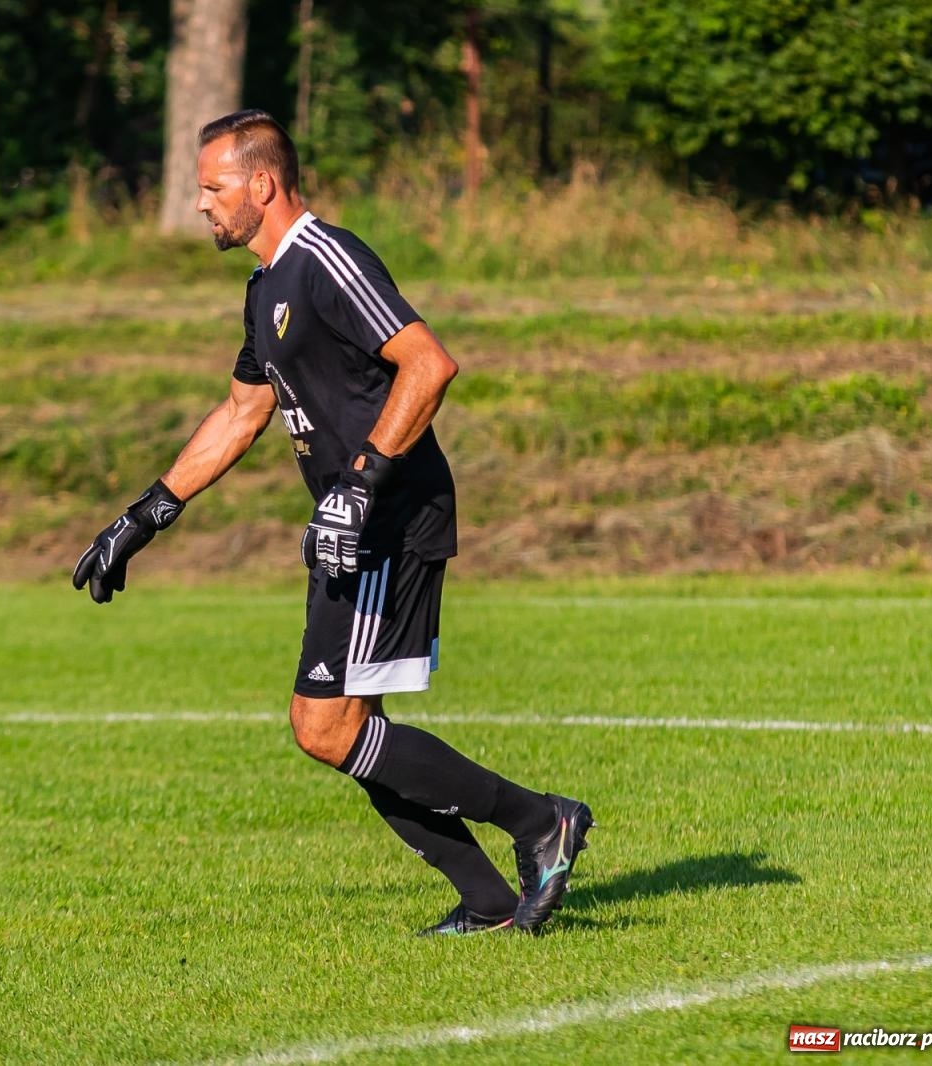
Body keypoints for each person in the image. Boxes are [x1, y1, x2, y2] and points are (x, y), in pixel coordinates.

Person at [71, 109, 593, 935]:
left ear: (262, 183)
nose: (201, 203)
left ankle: (540, 821)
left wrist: (359, 482)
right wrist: (144, 516)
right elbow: (241, 413)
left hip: (391, 516)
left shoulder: (327, 258)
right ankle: (491, 900)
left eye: (212, 187)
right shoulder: (265, 287)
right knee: (349, 728)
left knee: (326, 726)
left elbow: (429, 365)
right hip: (348, 522)